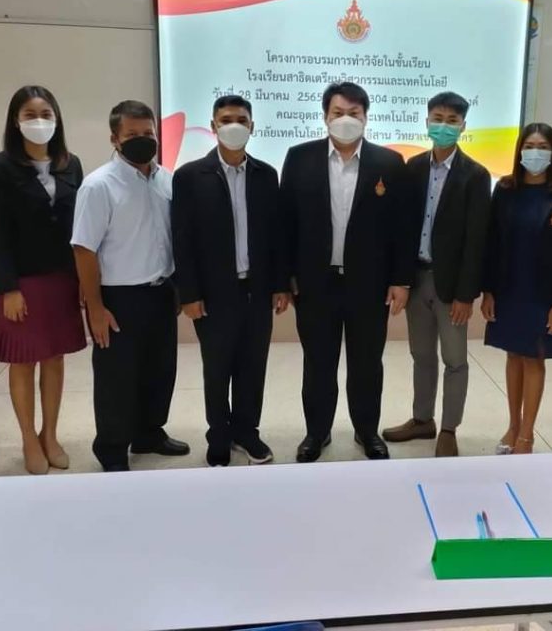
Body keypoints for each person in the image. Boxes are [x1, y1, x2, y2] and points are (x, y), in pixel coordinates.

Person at [281, 82, 414, 462]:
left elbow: (402, 228)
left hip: (369, 285)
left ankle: (367, 431)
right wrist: (284, 277)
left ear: (366, 118)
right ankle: (316, 433)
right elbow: (285, 223)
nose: (345, 120)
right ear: (325, 117)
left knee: (367, 364)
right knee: (318, 363)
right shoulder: (299, 158)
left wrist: (401, 280)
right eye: (338, 113)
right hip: (314, 284)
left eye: (354, 113)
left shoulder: (389, 163)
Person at [172, 95, 291, 468]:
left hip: (257, 290)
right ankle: (219, 436)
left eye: (241, 119)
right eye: (226, 120)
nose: (234, 126)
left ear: (252, 126)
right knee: (217, 368)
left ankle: (247, 432)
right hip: (212, 294)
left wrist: (280, 284)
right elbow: (182, 240)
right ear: (213, 126)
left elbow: (276, 236)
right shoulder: (190, 177)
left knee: (252, 368)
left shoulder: (266, 175)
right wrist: (189, 293)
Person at [71, 99, 188, 471]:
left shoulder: (167, 179)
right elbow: (84, 249)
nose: (142, 139)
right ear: (114, 139)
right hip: (118, 299)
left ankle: (149, 433)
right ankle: (111, 447)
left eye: (148, 133)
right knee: (116, 378)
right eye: (132, 134)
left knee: (159, 370)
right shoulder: (98, 186)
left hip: (161, 292)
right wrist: (95, 308)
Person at [0, 86, 86, 475]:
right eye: (30, 114)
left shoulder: (70, 163)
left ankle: (50, 434)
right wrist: (8, 288)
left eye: (46, 113)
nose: (39, 121)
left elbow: (81, 225)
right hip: (22, 282)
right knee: (23, 360)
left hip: (62, 278)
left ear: (57, 119)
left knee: (54, 358)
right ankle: (28, 437)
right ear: (16, 120)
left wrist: (84, 281)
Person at [383, 92, 491, 457]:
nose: (443, 126)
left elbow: (476, 240)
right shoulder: (411, 168)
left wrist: (466, 294)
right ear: (426, 121)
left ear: (463, 126)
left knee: (455, 359)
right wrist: (399, 279)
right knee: (422, 354)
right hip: (416, 278)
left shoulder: (476, 175)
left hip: (452, 286)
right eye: (438, 118)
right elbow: (400, 229)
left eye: (452, 120)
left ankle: (448, 428)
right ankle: (422, 419)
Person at [481, 123, 552, 455]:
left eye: (542, 146)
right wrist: (488, 290)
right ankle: (512, 425)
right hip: (508, 288)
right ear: (519, 150)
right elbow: (492, 242)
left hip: (543, 293)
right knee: (513, 354)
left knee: (534, 357)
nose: (535, 152)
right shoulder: (505, 189)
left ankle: (527, 434)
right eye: (529, 145)